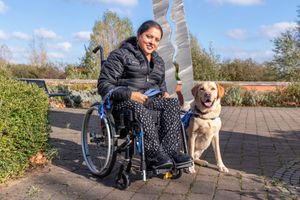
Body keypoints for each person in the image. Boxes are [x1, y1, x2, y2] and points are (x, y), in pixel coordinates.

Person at [97, 20, 192, 169]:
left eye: (156, 40)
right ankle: (154, 154)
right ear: (139, 35)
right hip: (122, 103)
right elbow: (104, 85)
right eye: (149, 36)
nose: (152, 42)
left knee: (172, 103)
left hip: (148, 100)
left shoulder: (158, 61)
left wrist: (164, 93)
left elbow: (160, 84)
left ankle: (170, 151)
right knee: (138, 107)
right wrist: (129, 94)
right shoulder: (120, 55)